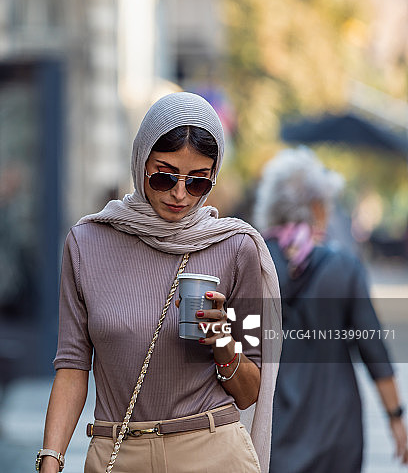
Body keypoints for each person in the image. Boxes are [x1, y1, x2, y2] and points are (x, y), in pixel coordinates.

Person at [36, 92, 282, 473]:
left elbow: (250, 391)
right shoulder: (87, 243)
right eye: (164, 176)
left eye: (198, 182)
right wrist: (51, 458)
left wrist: (221, 340)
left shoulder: (237, 248)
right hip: (117, 454)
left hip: (213, 453)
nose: (180, 194)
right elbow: (71, 366)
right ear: (140, 163)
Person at [254, 147, 408, 472]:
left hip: (273, 431)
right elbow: (374, 350)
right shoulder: (344, 268)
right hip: (338, 433)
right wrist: (396, 418)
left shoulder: (254, 261)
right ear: (317, 206)